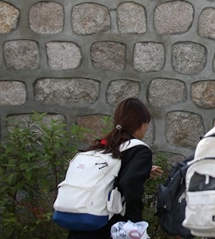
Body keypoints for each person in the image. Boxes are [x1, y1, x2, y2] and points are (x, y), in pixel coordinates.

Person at [68, 98, 162, 239]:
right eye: (147, 123)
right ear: (141, 124)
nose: (147, 128)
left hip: (80, 222)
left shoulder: (103, 146)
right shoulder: (139, 149)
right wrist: (135, 223)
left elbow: (111, 174)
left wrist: (144, 172)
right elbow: (129, 182)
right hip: (109, 227)